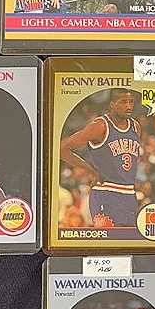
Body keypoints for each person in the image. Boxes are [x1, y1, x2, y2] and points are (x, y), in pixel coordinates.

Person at [60, 88, 141, 227]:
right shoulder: (100, 126)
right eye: (123, 102)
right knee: (108, 239)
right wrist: (90, 170)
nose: (128, 106)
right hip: (106, 193)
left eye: (131, 102)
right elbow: (62, 148)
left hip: (129, 194)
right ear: (112, 104)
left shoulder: (135, 127)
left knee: (128, 239)